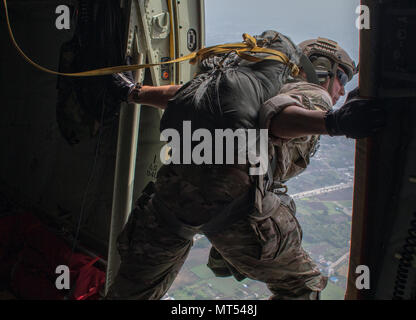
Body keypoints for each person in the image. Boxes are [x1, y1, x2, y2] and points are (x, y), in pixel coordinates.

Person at [106, 36, 385, 300]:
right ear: (325, 69)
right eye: (343, 78)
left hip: (172, 196)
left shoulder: (249, 86)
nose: (341, 90)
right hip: (235, 211)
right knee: (302, 286)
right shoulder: (313, 94)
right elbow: (276, 118)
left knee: (130, 292)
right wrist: (333, 122)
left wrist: (133, 92)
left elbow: (183, 96)